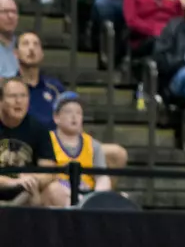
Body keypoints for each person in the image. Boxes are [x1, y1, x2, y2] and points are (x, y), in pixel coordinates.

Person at [0, 77, 68, 208]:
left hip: (25, 194)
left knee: (56, 190)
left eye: (23, 96)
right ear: (1, 100)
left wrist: (34, 180)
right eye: (13, 96)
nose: (18, 101)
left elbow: (49, 172)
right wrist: (14, 182)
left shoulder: (38, 129)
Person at [49, 93, 117, 197]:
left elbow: (102, 177)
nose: (74, 116)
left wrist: (95, 196)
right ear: (56, 117)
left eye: (78, 112)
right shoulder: (47, 141)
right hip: (58, 194)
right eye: (68, 112)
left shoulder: (93, 145)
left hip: (86, 195)